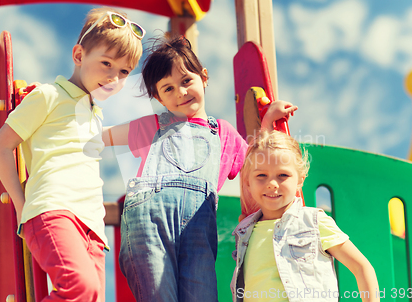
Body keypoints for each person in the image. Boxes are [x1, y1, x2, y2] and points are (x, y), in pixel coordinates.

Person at [104, 36, 297, 302]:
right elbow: (103, 137)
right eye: (168, 89)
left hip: (197, 233)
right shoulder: (152, 126)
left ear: (203, 77)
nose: (180, 93)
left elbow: (258, 164)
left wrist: (266, 122)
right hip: (150, 227)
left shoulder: (223, 133)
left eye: (186, 81)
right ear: (158, 97)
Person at [0, 7, 144, 302]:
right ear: (78, 56)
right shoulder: (49, 95)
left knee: (92, 296)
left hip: (92, 228)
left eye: (124, 71)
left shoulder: (94, 114)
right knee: (80, 289)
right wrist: (22, 205)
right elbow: (0, 146)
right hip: (53, 210)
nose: (114, 77)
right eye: (106, 63)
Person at [231, 130, 380, 302]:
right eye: (261, 175)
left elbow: (361, 267)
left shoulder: (313, 221)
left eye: (283, 175)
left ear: (300, 180)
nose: (272, 184)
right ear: (248, 182)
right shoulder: (243, 231)